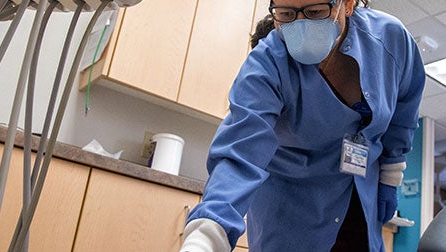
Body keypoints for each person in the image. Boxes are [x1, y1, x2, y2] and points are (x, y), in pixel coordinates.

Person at [181, 0, 425, 251]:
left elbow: (404, 109)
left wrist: (391, 175)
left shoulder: (390, 40)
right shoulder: (266, 65)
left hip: (360, 200)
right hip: (290, 211)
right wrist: (206, 235)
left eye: (315, 12)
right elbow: (240, 153)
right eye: (286, 14)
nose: (300, 25)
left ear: (348, 4)